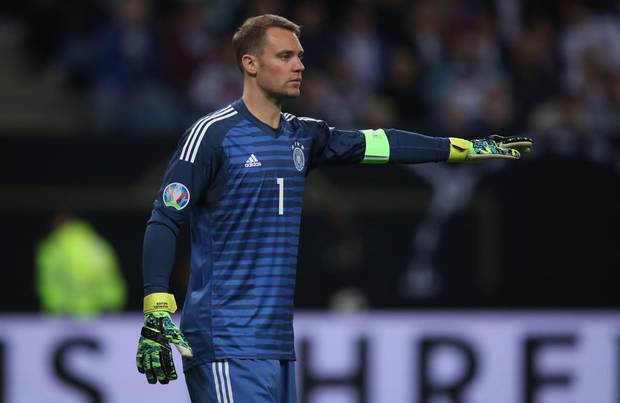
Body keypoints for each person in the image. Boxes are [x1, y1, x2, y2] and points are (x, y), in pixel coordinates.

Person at [135, 14, 532, 403]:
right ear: (250, 64)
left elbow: (383, 143)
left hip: (276, 346)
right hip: (225, 341)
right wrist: (157, 309)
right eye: (285, 56)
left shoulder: (304, 136)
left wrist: (465, 148)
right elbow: (165, 217)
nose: (299, 66)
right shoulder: (212, 135)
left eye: (300, 56)